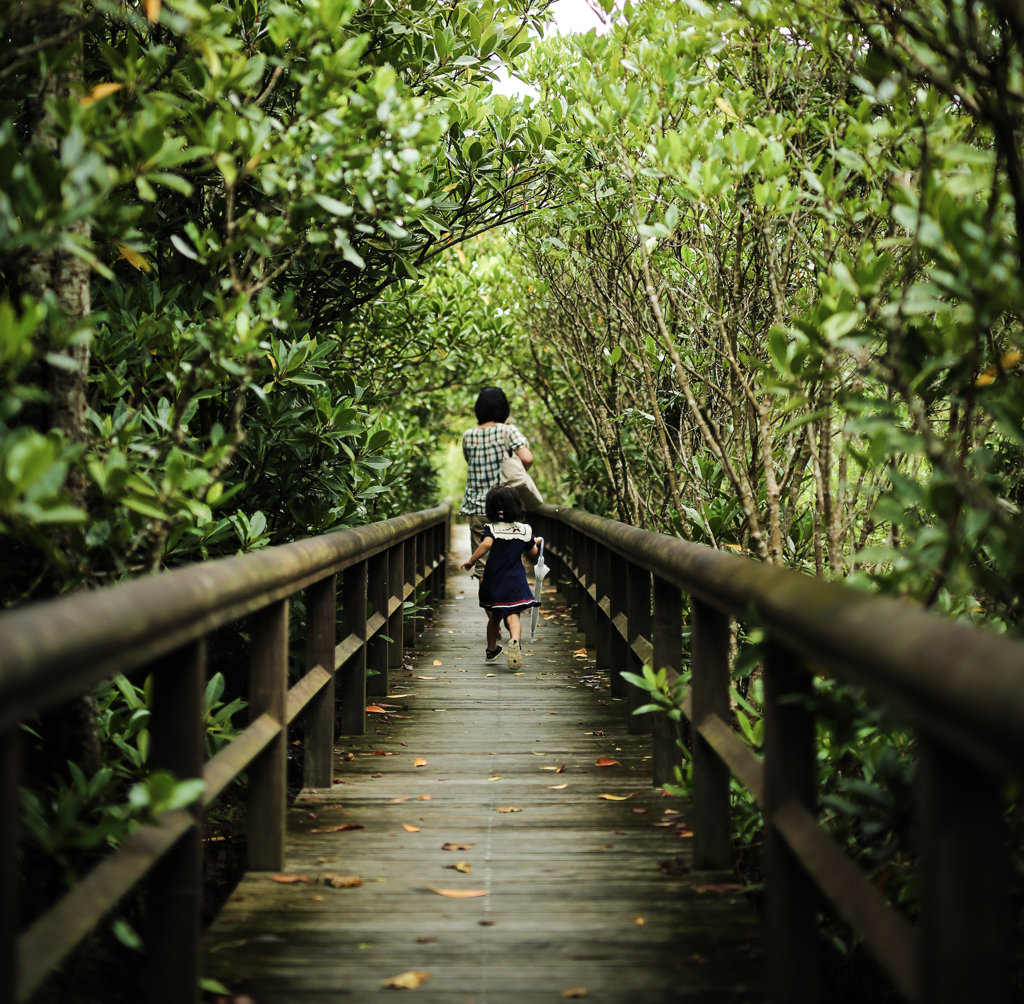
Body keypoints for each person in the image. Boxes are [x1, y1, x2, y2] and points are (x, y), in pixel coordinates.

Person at [460, 484, 541, 670]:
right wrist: (534, 542)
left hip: (495, 577)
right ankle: (514, 641)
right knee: (513, 616)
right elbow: (532, 552)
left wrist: (471, 561)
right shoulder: (524, 530)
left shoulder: (492, 528)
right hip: (515, 577)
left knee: (495, 617)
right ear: (517, 507)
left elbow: (486, 544)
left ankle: (491, 649)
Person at [460, 387, 534, 581]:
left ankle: (493, 609)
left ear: (479, 409)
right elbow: (527, 458)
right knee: (508, 562)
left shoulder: (468, 435)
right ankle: (508, 607)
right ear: (503, 407)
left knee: (482, 568)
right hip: (507, 508)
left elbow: (471, 462)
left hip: (477, 507)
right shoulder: (508, 431)